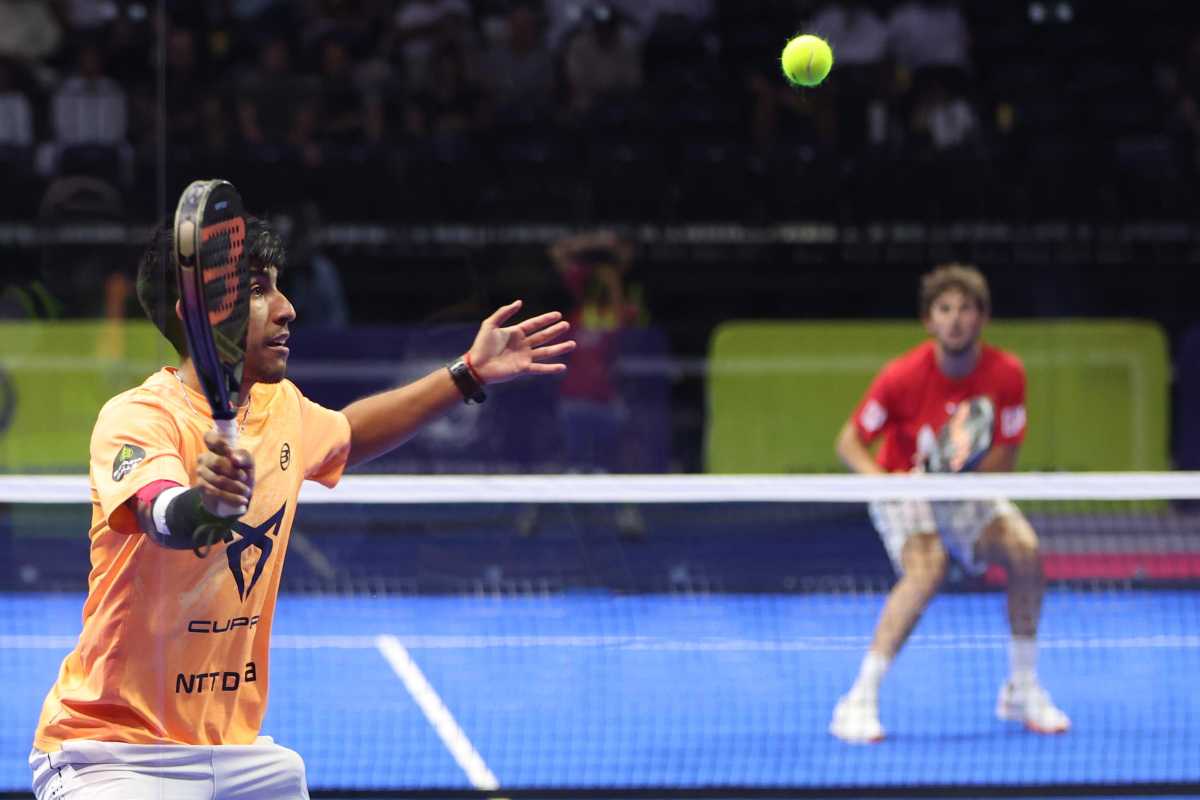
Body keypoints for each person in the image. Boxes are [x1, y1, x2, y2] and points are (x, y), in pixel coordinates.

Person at [29, 215, 574, 799]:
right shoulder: (140, 417)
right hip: (113, 753)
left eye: (277, 285)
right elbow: (159, 513)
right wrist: (204, 505)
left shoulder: (279, 407)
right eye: (258, 290)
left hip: (237, 757)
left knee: (286, 772)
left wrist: (465, 375)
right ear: (199, 311)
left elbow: (347, 434)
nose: (287, 308)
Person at [829, 263, 1069, 744]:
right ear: (928, 320)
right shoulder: (900, 377)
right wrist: (885, 484)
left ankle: (1022, 687)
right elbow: (849, 441)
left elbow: (1005, 455)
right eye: (945, 309)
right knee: (928, 568)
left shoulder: (1007, 374)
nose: (955, 319)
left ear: (982, 317)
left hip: (965, 486)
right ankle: (858, 698)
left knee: (1025, 550)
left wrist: (962, 484)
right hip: (905, 483)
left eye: (966, 308)